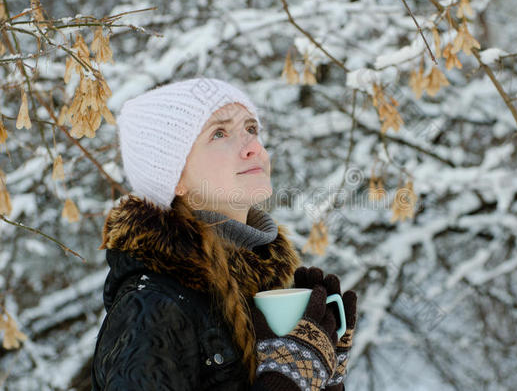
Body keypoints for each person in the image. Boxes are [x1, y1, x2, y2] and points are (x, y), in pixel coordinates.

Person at [90, 77, 358, 391]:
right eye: (219, 133)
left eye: (251, 129)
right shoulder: (152, 305)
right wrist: (283, 383)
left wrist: (324, 376)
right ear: (175, 178)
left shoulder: (261, 287)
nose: (253, 147)